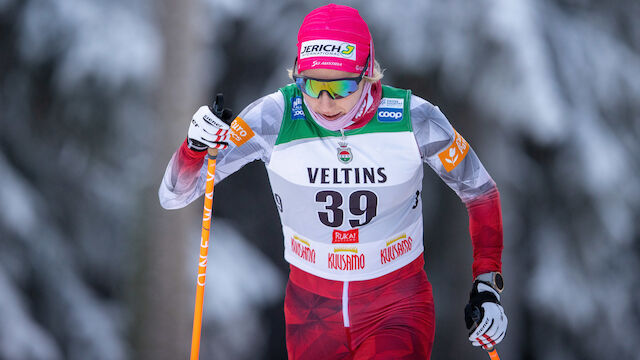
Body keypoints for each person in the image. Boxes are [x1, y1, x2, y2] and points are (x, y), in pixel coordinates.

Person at [159, 4, 507, 359]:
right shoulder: (274, 117)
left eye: (340, 86)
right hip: (312, 312)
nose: (325, 102)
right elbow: (175, 194)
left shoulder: (413, 118)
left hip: (395, 305)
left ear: (368, 72)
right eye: (312, 84)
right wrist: (194, 149)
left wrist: (487, 282)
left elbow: (479, 191)